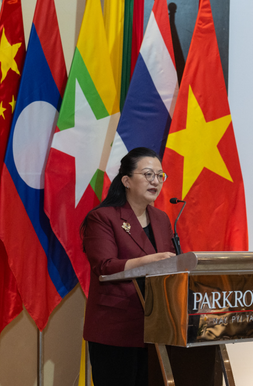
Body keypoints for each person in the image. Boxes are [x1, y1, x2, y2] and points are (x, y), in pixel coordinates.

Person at [81, 147, 176, 386]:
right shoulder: (103, 217)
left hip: (157, 328)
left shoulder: (162, 219)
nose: (155, 181)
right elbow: (105, 266)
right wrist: (149, 261)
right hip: (116, 328)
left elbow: (173, 262)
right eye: (148, 174)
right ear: (126, 181)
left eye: (160, 175)